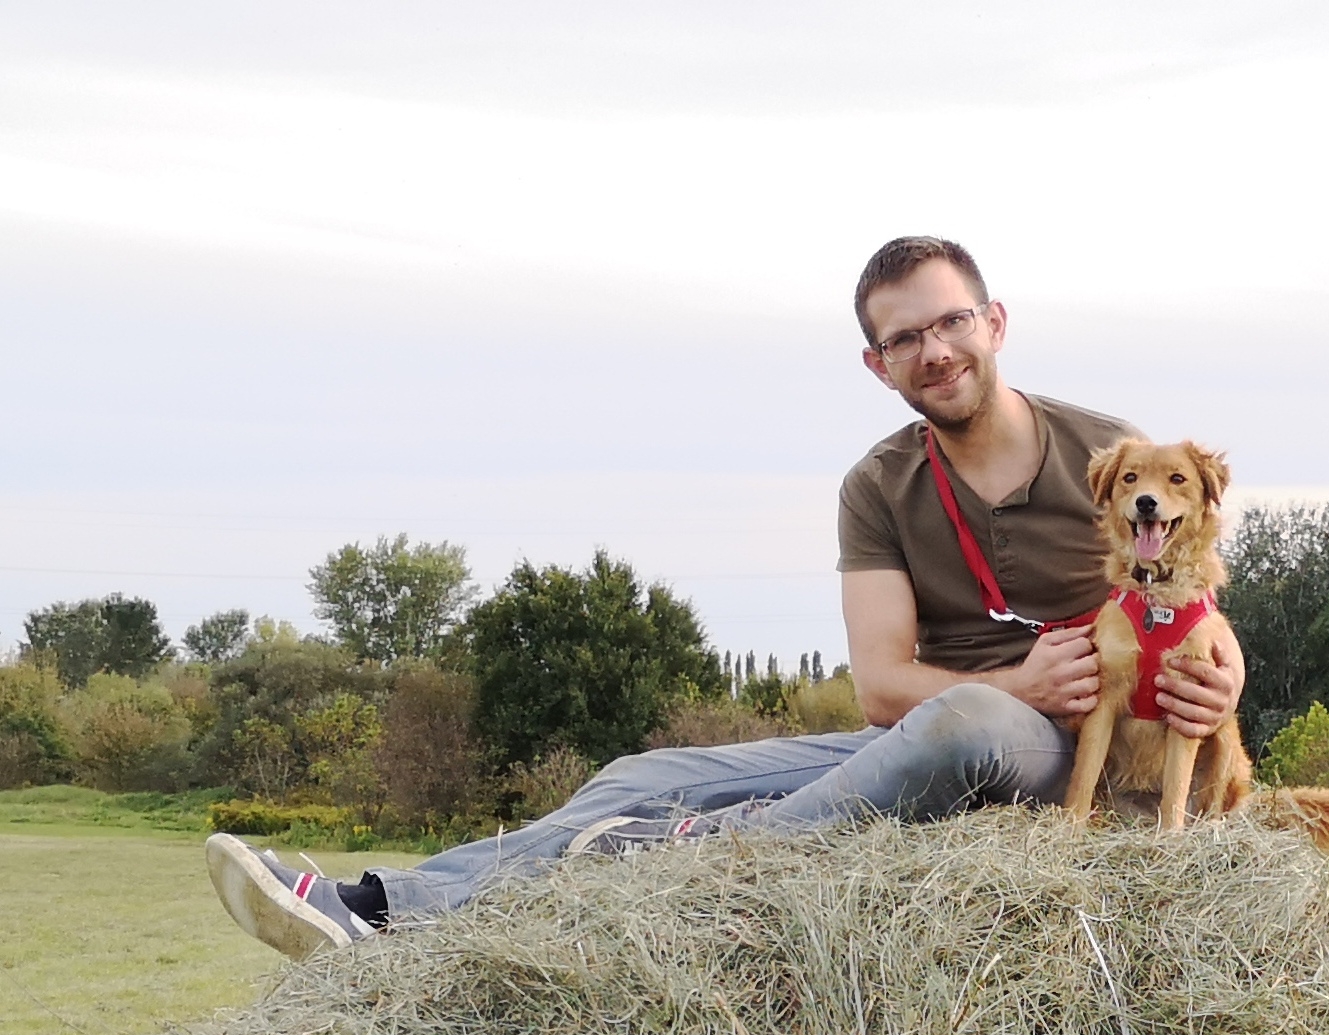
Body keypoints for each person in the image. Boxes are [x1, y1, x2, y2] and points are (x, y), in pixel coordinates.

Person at [208, 236, 1246, 961]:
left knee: (966, 716)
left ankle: (697, 862)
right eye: (903, 339)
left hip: (1073, 748)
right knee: (643, 770)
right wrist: (1013, 672)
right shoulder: (877, 487)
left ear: (995, 321)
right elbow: (883, 686)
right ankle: (382, 910)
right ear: (875, 364)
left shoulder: (1110, 453)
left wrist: (1226, 670)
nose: (934, 351)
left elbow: (1197, 588)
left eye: (951, 321)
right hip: (937, 726)